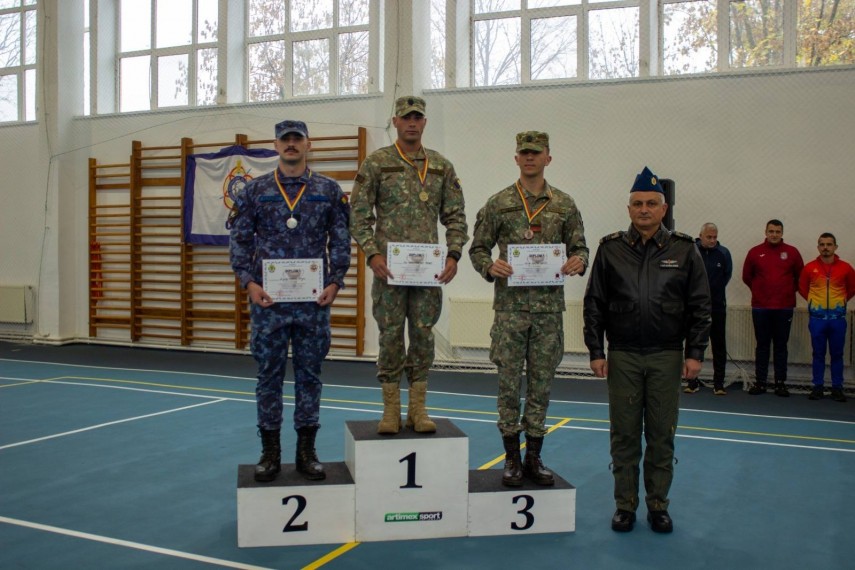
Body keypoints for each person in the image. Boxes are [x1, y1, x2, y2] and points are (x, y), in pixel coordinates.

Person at [583, 166, 711, 534]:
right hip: (622, 355)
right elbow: (595, 303)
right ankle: (625, 505)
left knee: (661, 435)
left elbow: (700, 306)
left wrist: (695, 353)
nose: (644, 209)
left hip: (666, 356)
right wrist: (596, 350)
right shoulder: (610, 250)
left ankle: (658, 505)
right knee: (623, 435)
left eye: (651, 203)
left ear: (664, 207)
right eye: (637, 203)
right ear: (628, 209)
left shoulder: (685, 250)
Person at [229, 119, 351, 482]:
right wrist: (248, 282)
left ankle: (306, 451)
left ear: (308, 144)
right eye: (286, 140)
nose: (292, 145)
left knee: (310, 376)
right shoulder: (255, 191)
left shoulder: (329, 190)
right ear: (276, 145)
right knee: (268, 376)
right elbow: (239, 240)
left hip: (314, 303)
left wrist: (336, 282)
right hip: (268, 302)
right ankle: (270, 452)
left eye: (298, 139)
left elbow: (341, 240)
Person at [468, 131, 588, 487]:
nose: (530, 158)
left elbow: (580, 246)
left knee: (541, 385)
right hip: (510, 311)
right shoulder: (499, 203)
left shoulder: (564, 205)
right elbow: (478, 248)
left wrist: (579, 259)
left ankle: (534, 457)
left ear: (548, 158)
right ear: (516, 158)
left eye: (537, 153)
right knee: (508, 384)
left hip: (549, 312)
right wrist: (489, 266)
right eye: (524, 153)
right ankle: (510, 458)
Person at [349, 96, 469, 435]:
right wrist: (372, 254)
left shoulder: (441, 167)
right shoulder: (377, 163)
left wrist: (454, 254)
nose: (412, 122)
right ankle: (390, 409)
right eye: (406, 117)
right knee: (389, 336)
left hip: (427, 273)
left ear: (424, 122)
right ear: (396, 122)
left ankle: (418, 408)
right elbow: (357, 215)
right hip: (388, 271)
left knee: (422, 335)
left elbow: (456, 216)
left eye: (418, 117)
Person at [742, 220, 804, 397]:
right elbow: (747, 277)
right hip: (761, 307)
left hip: (784, 307)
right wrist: (760, 292)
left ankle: (780, 383)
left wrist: (786, 292)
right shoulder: (755, 252)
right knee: (762, 345)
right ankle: (761, 382)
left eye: (777, 231)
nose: (774, 234)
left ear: (782, 232)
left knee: (781, 346)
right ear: (766, 232)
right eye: (771, 231)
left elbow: (800, 277)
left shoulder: (792, 252)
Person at [799, 233, 855, 403]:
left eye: (829, 244)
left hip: (837, 319)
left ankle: (837, 388)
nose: (825, 247)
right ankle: (818, 387)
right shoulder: (810, 268)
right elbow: (802, 288)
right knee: (818, 353)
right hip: (817, 319)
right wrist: (815, 305)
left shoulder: (846, 268)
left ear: (835, 247)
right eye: (822, 244)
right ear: (818, 247)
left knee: (837, 354)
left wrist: (841, 303)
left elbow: (852, 289)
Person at [686, 223, 732, 395]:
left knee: (719, 344)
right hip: (695, 308)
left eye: (715, 237)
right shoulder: (692, 251)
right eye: (709, 237)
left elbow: (726, 276)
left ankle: (718, 383)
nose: (712, 240)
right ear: (701, 235)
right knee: (693, 343)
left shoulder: (724, 254)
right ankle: (692, 381)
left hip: (717, 307)